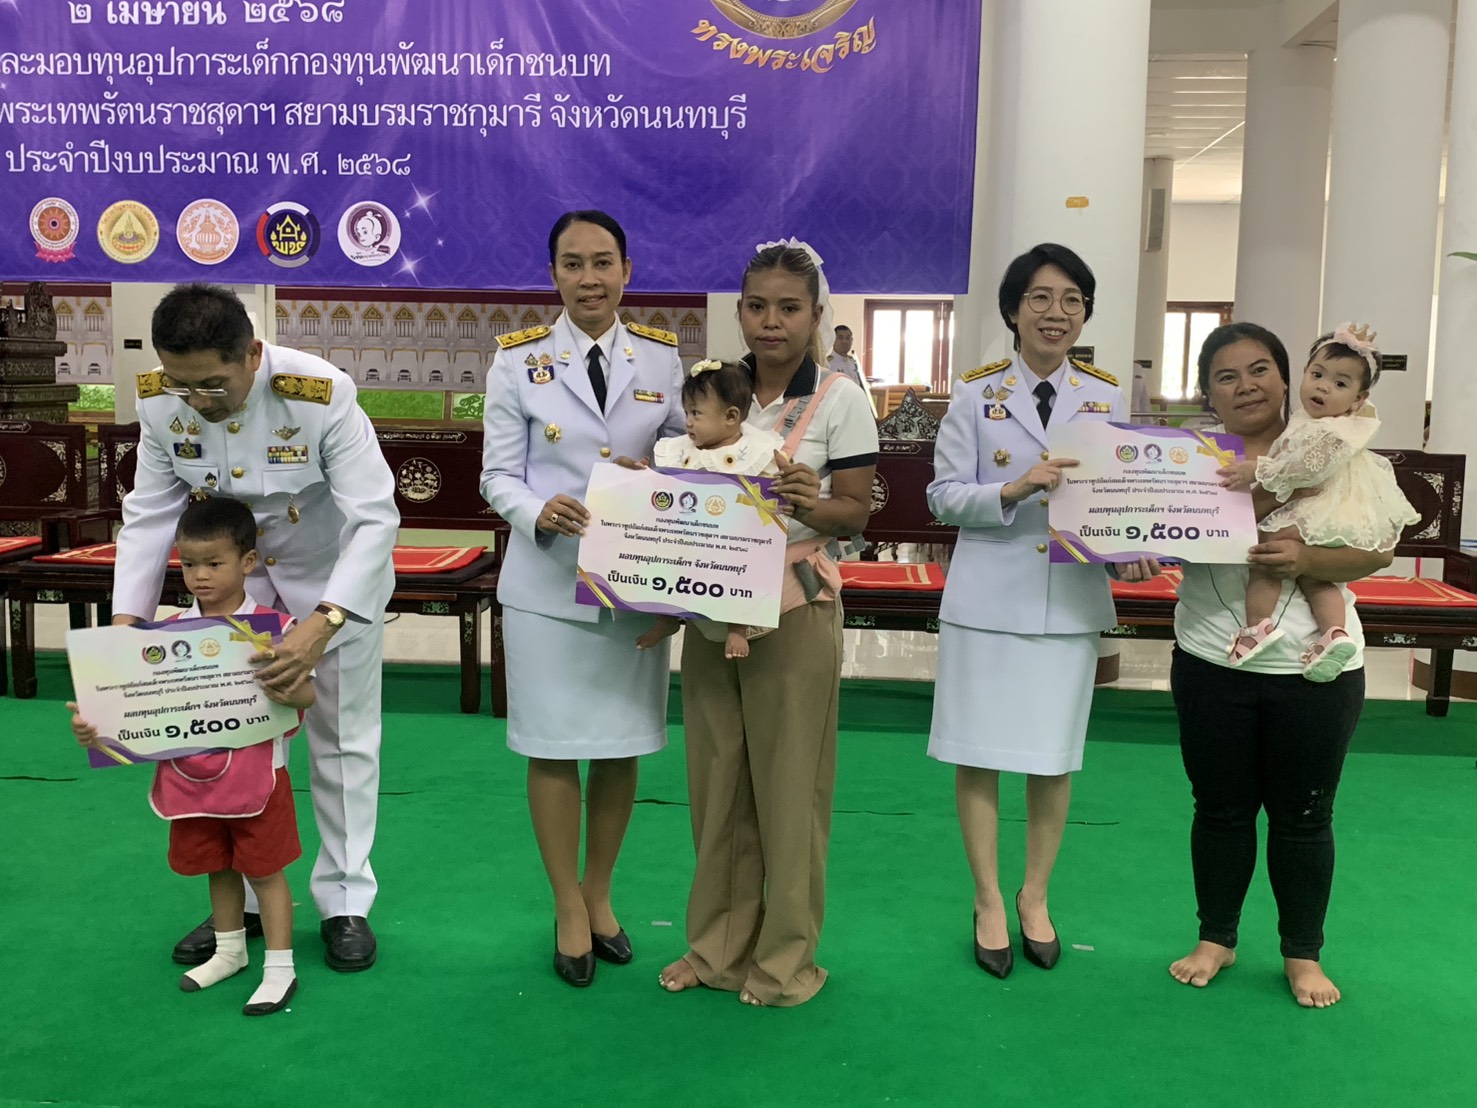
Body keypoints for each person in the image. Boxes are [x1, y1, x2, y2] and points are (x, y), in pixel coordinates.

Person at [113, 283, 398, 973]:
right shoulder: (161, 398)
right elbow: (150, 514)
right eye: (185, 387)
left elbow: (375, 516)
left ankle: (344, 902)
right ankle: (234, 909)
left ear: (253, 354)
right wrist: (127, 624)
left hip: (331, 589)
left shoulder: (319, 393)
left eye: (213, 383)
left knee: (340, 741)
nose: (200, 400)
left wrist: (324, 622)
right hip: (231, 595)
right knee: (222, 746)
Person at [926, 243, 1159, 979]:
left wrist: (1132, 547)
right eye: (1039, 298)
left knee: (1050, 759)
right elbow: (941, 497)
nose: (1055, 313)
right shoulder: (974, 394)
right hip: (988, 598)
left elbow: (1116, 501)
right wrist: (1014, 488)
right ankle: (988, 898)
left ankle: (1035, 895)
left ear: (1084, 312)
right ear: (1011, 310)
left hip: (1066, 603)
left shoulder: (1104, 398)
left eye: (1070, 300)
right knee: (979, 752)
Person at [657, 242, 879, 1007]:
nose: (770, 321)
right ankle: (716, 948)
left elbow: (854, 511)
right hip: (711, 610)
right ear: (739, 310)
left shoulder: (840, 398)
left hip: (794, 607)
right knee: (716, 782)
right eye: (756, 305)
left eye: (789, 307)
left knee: (789, 790)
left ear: (817, 315)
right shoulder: (711, 391)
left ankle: (784, 960)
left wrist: (804, 497)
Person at [480, 209, 685, 988]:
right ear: (554, 273)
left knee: (620, 743)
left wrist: (660, 482)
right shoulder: (515, 363)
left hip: (631, 588)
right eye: (572, 263)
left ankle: (600, 894)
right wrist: (537, 512)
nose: (589, 278)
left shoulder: (664, 363)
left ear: (628, 271)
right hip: (544, 585)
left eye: (603, 262)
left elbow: (686, 458)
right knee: (552, 744)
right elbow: (497, 475)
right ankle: (566, 902)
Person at [1168, 322, 1394, 1009]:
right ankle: (1216, 938)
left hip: (1313, 670)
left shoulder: (1332, 447)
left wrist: (1303, 560)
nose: (1246, 386)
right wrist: (1126, 542)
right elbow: (1147, 524)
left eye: (1259, 368)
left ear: (1286, 376)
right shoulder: (1188, 458)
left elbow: (1375, 552)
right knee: (1219, 809)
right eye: (1226, 376)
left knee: (1303, 816)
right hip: (1212, 654)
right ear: (1206, 392)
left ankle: (1302, 953)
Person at [69, 497, 312, 1016]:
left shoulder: (275, 629)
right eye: (189, 563)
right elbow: (125, 723)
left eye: (214, 563)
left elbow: (307, 697)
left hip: (258, 780)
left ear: (248, 562)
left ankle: (280, 968)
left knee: (265, 872)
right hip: (190, 780)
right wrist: (94, 729)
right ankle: (229, 951)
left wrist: (283, 683)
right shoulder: (162, 634)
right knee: (217, 866)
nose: (199, 575)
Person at [1218, 323, 1417, 680]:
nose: (1324, 386)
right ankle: (1332, 634)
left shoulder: (1328, 431)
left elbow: (1302, 470)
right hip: (1207, 653)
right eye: (1318, 374)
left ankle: (1258, 627)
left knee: (1268, 554)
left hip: (1327, 511)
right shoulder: (1198, 451)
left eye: (1260, 370)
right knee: (1314, 579)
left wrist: (1257, 472)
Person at [636, 358, 786, 659]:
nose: (688, 421)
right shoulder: (680, 449)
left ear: (731, 417)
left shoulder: (755, 452)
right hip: (688, 538)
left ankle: (738, 626)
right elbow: (661, 489)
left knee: (744, 570)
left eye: (696, 413)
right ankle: (665, 619)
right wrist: (644, 477)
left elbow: (772, 498)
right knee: (659, 561)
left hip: (733, 541)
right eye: (687, 412)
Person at [826, 324, 866, 391]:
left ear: (852, 340)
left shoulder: (853, 362)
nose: (845, 342)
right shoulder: (827, 364)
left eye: (848, 338)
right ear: (832, 340)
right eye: (840, 338)